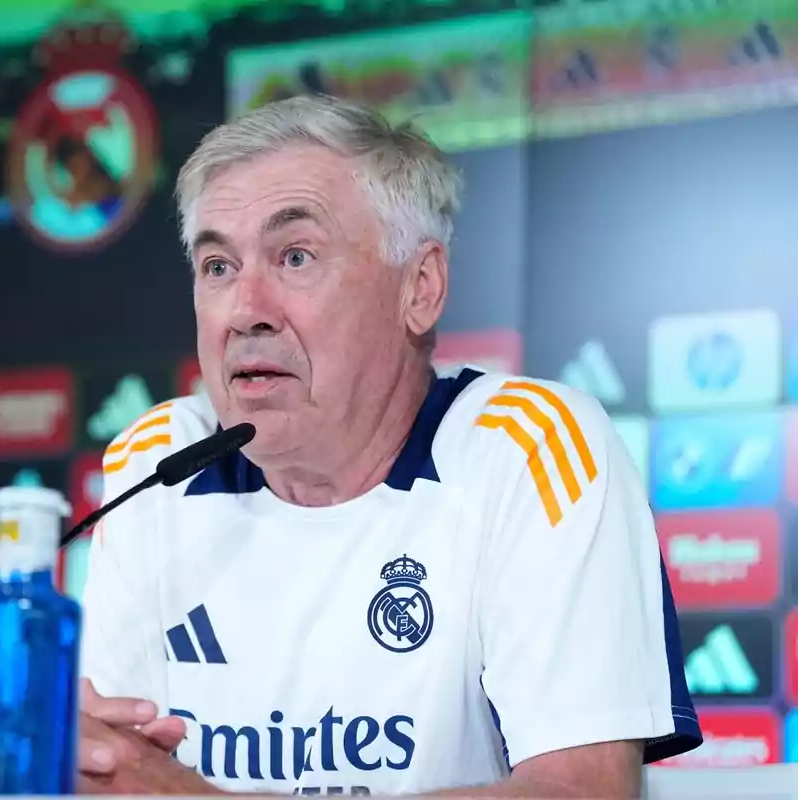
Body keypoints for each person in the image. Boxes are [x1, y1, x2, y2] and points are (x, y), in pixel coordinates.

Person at [76, 94, 701, 797]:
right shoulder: (156, 463)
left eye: (295, 256)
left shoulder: (527, 447)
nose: (245, 311)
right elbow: (115, 775)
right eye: (217, 266)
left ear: (421, 288)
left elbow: (581, 791)